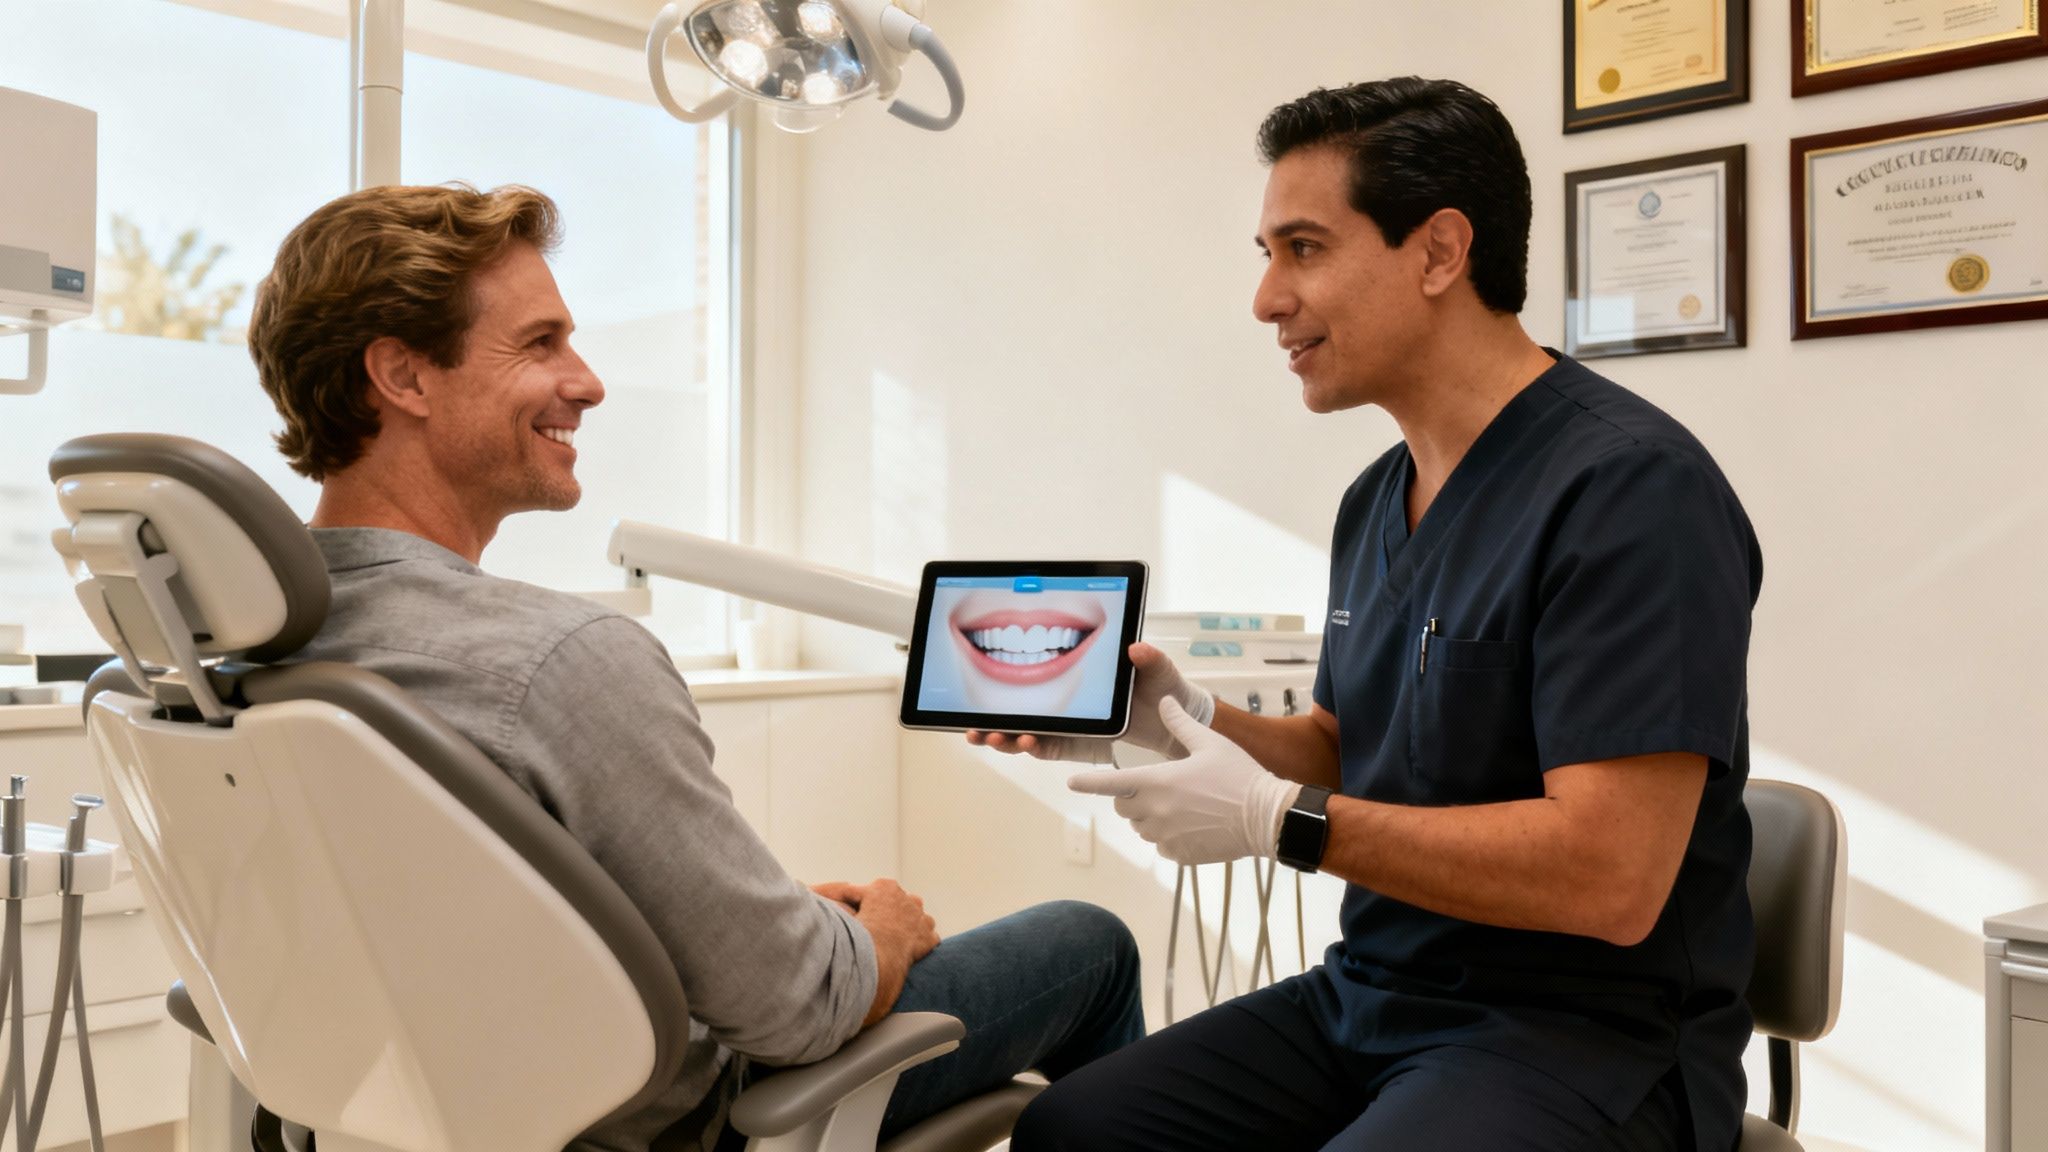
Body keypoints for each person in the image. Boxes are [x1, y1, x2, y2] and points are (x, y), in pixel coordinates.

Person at [245, 184, 1143, 1152]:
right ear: (404, 377)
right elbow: (796, 1007)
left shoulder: (240, 662)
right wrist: (879, 927)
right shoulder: (558, 663)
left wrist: (778, 917)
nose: (585, 382)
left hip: (395, 1107)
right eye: (540, 343)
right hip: (654, 1119)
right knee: (1088, 942)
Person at [984, 77, 1760, 1152]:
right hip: (1371, 996)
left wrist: (1276, 824)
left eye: (1300, 249)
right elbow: (1347, 750)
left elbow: (1610, 877)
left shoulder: (1630, 489)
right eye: (1264, 253)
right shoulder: (1374, 498)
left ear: (1439, 252)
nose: (1264, 299)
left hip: (1581, 1035)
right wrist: (1166, 717)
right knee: (1077, 1127)